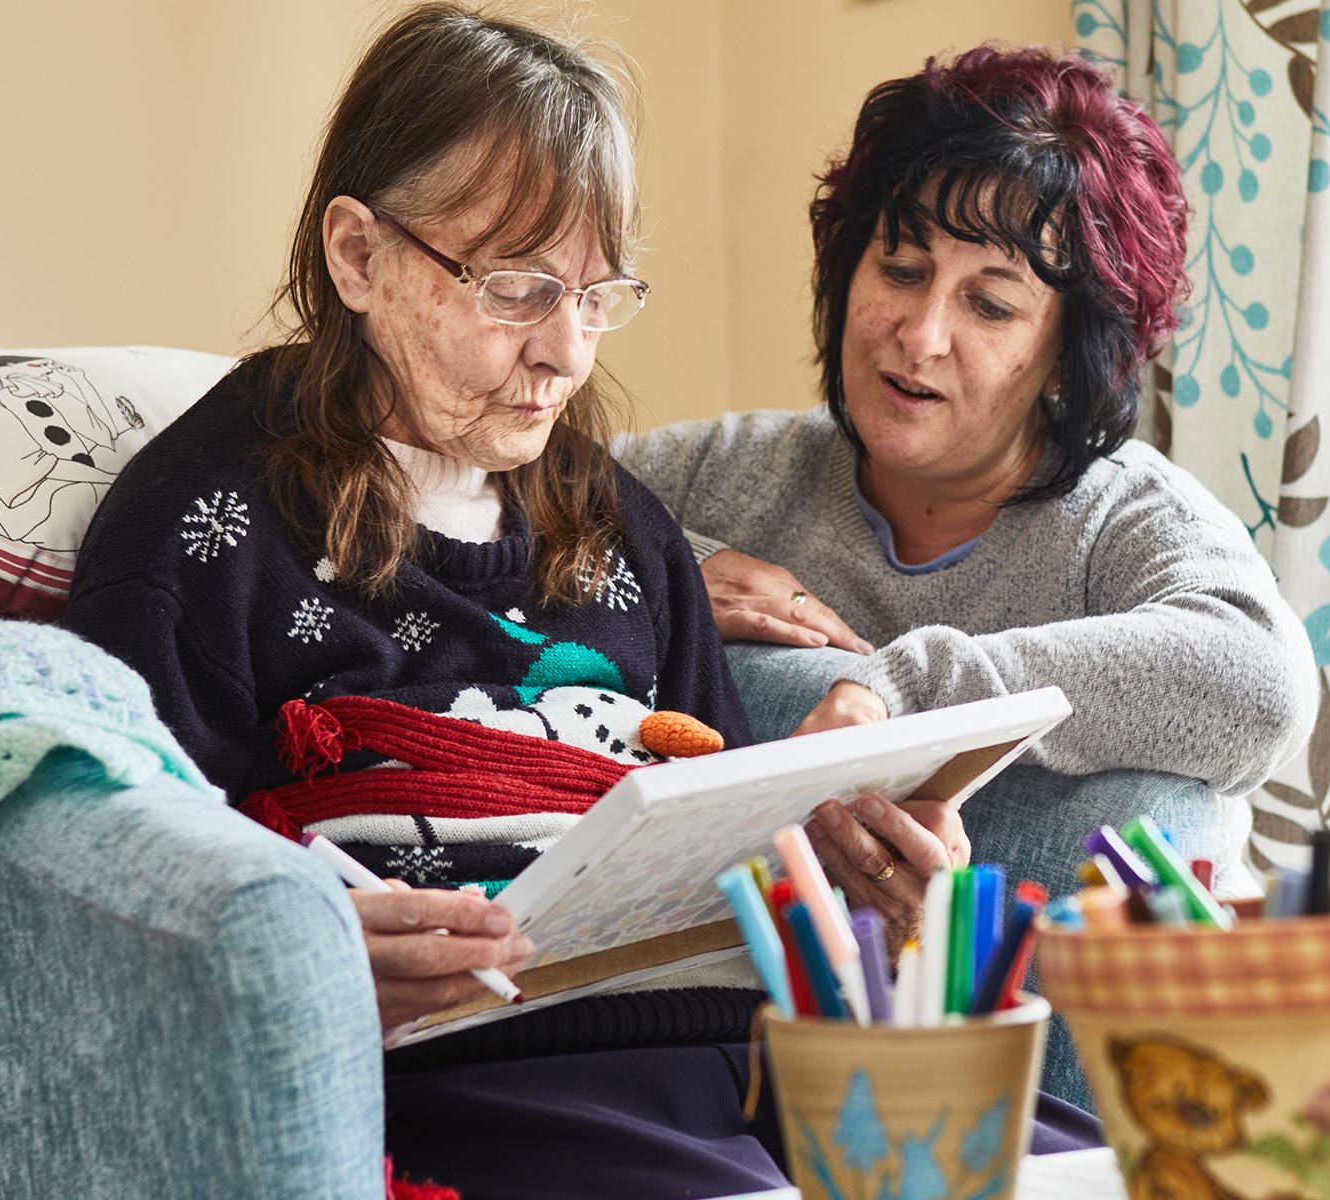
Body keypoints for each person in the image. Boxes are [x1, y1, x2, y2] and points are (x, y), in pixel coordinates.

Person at [64, 8, 1093, 1193]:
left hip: (760, 1060)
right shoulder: (205, 528)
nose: (566, 350)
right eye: (517, 289)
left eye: (598, 295)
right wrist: (302, 952)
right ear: (358, 256)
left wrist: (874, 899)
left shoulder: (624, 531)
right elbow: (115, 878)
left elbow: (744, 841)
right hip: (489, 1088)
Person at [613, 44, 1320, 1103]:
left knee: (1146, 810)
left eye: (990, 305)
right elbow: (502, 511)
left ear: (1064, 354)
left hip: (1061, 1050)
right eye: (899, 268)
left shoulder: (1125, 517)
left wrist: (898, 700)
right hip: (755, 1041)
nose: (920, 332)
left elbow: (1259, 686)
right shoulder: (726, 473)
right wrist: (675, 568)